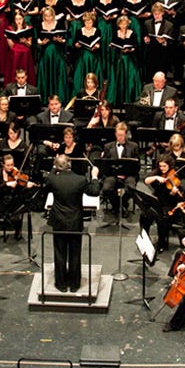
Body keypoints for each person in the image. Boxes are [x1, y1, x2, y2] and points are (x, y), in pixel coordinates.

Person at [46, 154, 100, 291]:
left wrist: (54, 166)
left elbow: (50, 177)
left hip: (59, 221)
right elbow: (94, 191)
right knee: (75, 253)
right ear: (70, 164)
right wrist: (94, 176)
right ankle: (75, 284)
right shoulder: (80, 179)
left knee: (59, 253)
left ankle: (61, 284)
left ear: (57, 166)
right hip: (75, 221)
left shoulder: (52, 179)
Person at [143, 154, 185, 252]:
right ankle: (145, 238)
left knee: (161, 219)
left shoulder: (176, 174)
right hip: (158, 200)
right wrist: (156, 177)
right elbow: (146, 180)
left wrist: (172, 193)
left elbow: (180, 195)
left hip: (170, 203)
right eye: (160, 166)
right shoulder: (157, 172)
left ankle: (162, 243)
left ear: (169, 165)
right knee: (144, 215)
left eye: (164, 166)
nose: (162, 168)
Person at [99, 122, 140, 218]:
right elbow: (105, 165)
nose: (120, 137)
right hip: (112, 175)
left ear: (126, 134)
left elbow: (137, 166)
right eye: (118, 135)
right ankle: (117, 205)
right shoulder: (108, 147)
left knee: (131, 188)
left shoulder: (134, 146)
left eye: (122, 135)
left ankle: (123, 203)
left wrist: (126, 173)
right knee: (106, 189)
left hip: (129, 175)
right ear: (115, 134)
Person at [36, 6, 71, 104]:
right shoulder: (40, 25)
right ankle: (45, 99)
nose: (48, 18)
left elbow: (64, 39)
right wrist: (42, 43)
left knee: (59, 75)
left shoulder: (59, 24)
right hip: (45, 55)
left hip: (57, 54)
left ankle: (60, 99)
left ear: (53, 15)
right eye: (46, 16)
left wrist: (60, 40)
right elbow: (38, 39)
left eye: (50, 16)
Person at [107, 15, 141, 106]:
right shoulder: (115, 33)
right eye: (122, 24)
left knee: (130, 77)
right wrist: (113, 46)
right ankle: (118, 100)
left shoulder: (132, 33)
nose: (123, 26)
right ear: (118, 25)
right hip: (119, 59)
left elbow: (136, 46)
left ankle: (129, 98)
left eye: (125, 24)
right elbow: (113, 44)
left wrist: (130, 50)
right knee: (118, 77)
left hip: (129, 59)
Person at [142, 3, 178, 81]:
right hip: (151, 53)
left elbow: (172, 42)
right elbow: (145, 36)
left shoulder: (169, 25)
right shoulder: (147, 23)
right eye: (155, 14)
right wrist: (146, 40)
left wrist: (164, 42)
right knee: (150, 75)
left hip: (163, 53)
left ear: (163, 13)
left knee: (161, 74)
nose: (157, 15)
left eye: (159, 13)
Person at [72, 16, 103, 97]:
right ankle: (79, 96)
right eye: (86, 22)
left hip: (93, 57)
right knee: (79, 75)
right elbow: (75, 43)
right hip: (82, 57)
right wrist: (77, 45)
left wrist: (97, 46)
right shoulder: (79, 31)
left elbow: (99, 43)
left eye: (90, 22)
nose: (88, 24)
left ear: (93, 22)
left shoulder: (97, 31)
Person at [3, 12, 36, 87]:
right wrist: (8, 38)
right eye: (16, 19)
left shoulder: (28, 28)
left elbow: (29, 44)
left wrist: (24, 42)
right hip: (15, 52)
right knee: (14, 52)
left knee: (25, 52)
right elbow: (11, 46)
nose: (18, 21)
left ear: (23, 19)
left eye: (20, 19)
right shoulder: (10, 28)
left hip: (25, 52)